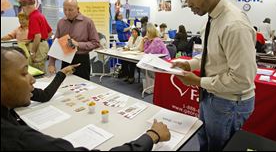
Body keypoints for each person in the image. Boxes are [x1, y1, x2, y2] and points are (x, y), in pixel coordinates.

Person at [1, 46, 171, 151]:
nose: (32, 79)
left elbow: (43, 95)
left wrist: (61, 73)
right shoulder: (20, 139)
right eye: (24, 73)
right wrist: (151, 135)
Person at [172, 0, 256, 151]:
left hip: (229, 102)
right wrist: (190, 63)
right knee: (206, 142)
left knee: (219, 147)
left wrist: (198, 81)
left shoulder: (234, 24)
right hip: (211, 95)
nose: (188, 4)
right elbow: (211, 55)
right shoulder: (211, 19)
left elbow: (241, 79)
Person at [48, 0, 100, 81]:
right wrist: (51, 63)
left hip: (81, 60)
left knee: (83, 87)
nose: (67, 12)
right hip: (65, 60)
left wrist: (78, 44)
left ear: (78, 9)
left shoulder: (87, 22)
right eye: (65, 9)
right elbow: (55, 44)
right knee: (64, 85)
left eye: (70, 10)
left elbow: (96, 43)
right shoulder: (61, 23)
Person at [19, 0, 52, 72]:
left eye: (23, 9)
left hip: (38, 48)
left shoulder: (33, 17)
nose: (23, 11)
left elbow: (37, 36)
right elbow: (50, 32)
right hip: (43, 46)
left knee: (37, 71)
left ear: (28, 7)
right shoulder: (40, 15)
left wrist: (33, 52)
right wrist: (42, 41)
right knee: (41, 69)